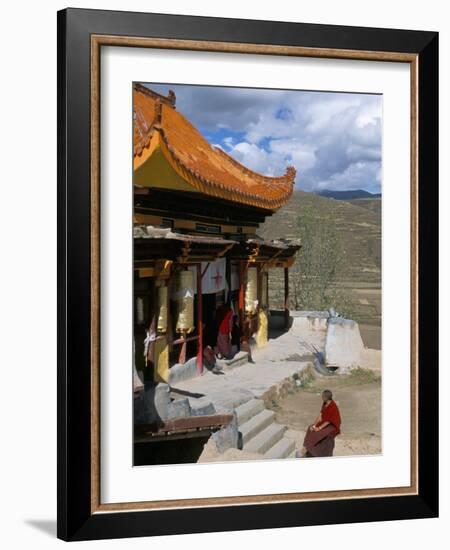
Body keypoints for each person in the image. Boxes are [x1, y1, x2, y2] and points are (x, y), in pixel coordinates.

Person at [301, 390, 341, 457]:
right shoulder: (325, 403)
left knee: (320, 433)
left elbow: (329, 421)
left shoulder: (332, 406)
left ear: (326, 398)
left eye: (322, 396)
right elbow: (320, 415)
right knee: (310, 428)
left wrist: (319, 428)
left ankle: (318, 453)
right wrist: (314, 425)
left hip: (332, 425)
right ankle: (308, 448)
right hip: (325, 422)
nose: (321, 398)